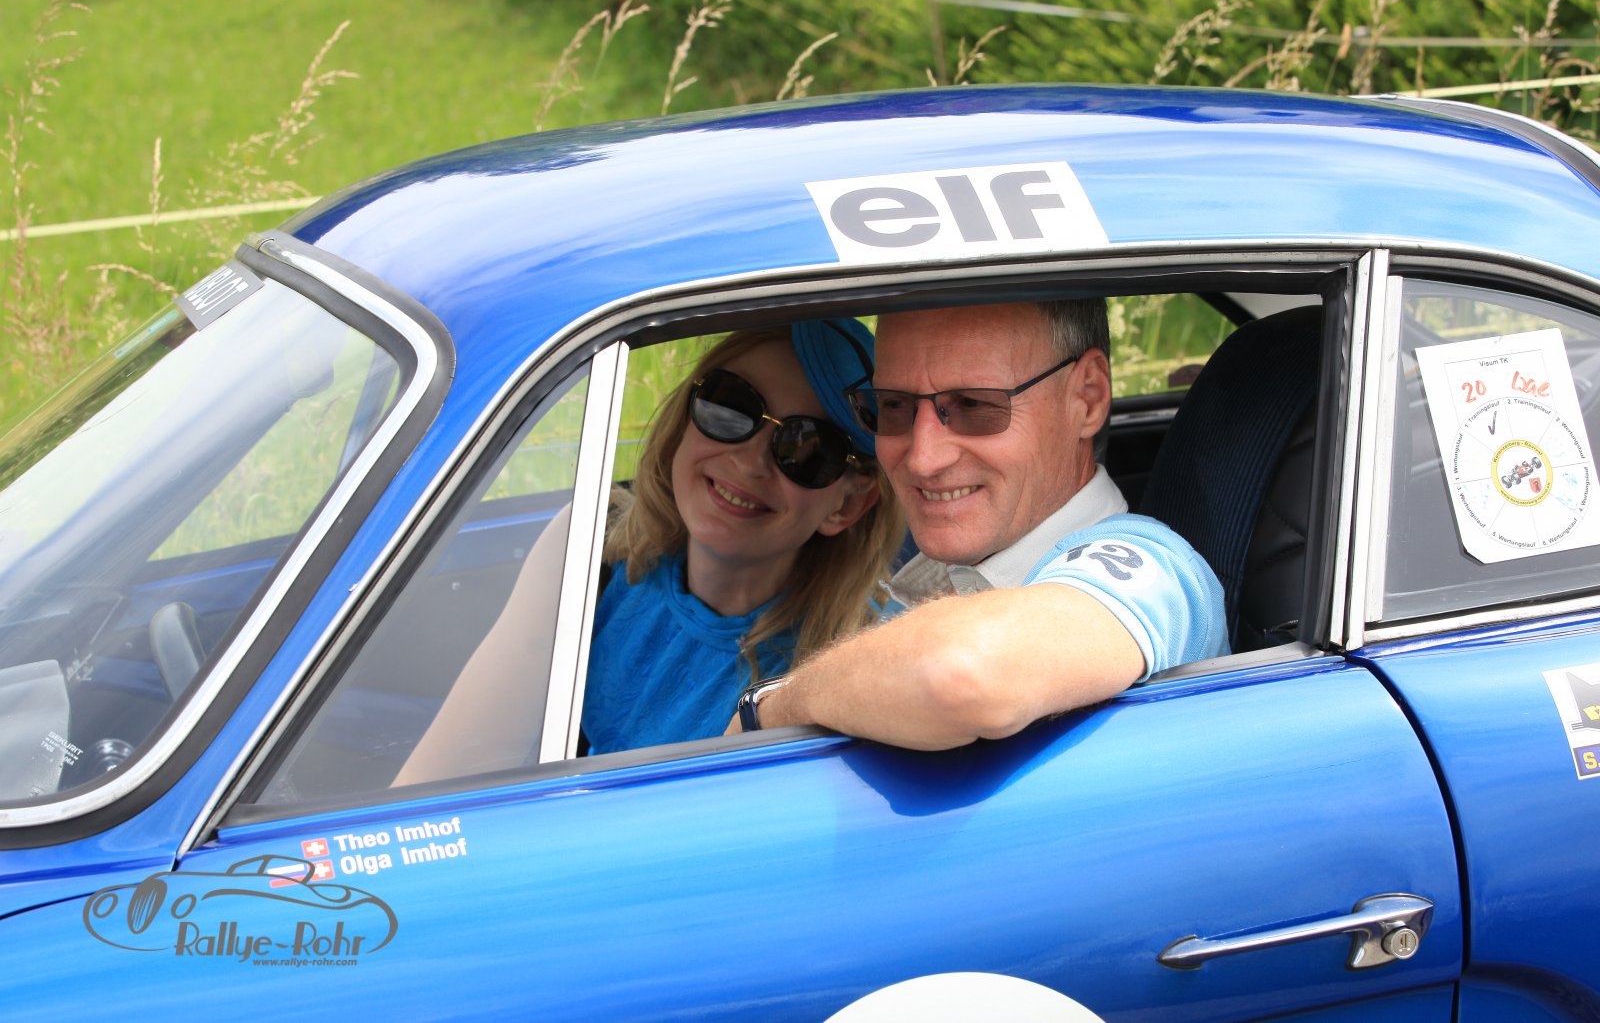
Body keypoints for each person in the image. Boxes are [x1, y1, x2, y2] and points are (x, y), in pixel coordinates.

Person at [397, 318, 903, 781]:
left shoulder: (850, 661)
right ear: (686, 417)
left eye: (807, 449)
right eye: (731, 408)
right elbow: (455, 763)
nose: (750, 463)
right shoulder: (591, 543)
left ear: (848, 505)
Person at [728, 299, 1228, 751]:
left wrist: (771, 710)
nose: (923, 459)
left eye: (975, 405)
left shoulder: (1154, 568)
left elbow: (960, 672)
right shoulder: (939, 574)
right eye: (893, 406)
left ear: (1088, 398)